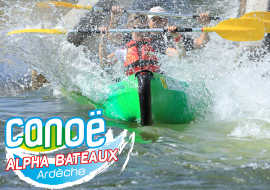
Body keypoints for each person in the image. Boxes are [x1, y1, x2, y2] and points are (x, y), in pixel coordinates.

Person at [99, 13, 185, 76]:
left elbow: (180, 56)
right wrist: (102, 40)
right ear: (130, 28)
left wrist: (176, 37)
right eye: (139, 28)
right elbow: (104, 63)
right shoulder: (124, 50)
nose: (142, 32)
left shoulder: (155, 45)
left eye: (145, 28)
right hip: (133, 83)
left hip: (153, 79)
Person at [108, 6, 211, 53]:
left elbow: (201, 43)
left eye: (160, 19)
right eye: (153, 19)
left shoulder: (172, 35)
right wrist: (114, 19)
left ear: (165, 22)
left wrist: (205, 25)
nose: (157, 22)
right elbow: (112, 37)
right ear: (148, 22)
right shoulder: (139, 34)